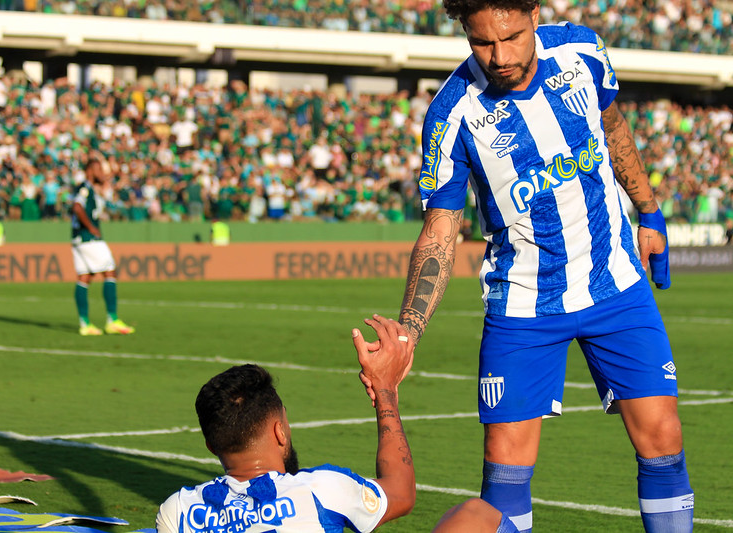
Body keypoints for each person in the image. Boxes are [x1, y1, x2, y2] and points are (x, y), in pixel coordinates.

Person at [383, 1, 693, 532]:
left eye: (511, 37)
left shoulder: (582, 50)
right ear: (464, 33)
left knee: (663, 440)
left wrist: (649, 210)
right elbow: (439, 230)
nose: (499, 56)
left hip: (615, 284)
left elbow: (613, 127)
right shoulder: (452, 113)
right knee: (504, 477)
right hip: (522, 306)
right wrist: (408, 333)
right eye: (482, 43)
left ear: (533, 14)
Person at [155, 315, 416, 533]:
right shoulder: (322, 490)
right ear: (279, 431)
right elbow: (401, 492)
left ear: (211, 446)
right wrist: (386, 391)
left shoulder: (177, 511)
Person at [70, 156, 135, 336]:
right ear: (90, 170)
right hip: (88, 238)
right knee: (110, 270)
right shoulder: (85, 188)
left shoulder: (90, 189)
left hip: (78, 239)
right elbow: (77, 207)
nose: (102, 173)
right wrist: (91, 227)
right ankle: (112, 320)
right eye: (99, 170)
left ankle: (85, 324)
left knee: (84, 277)